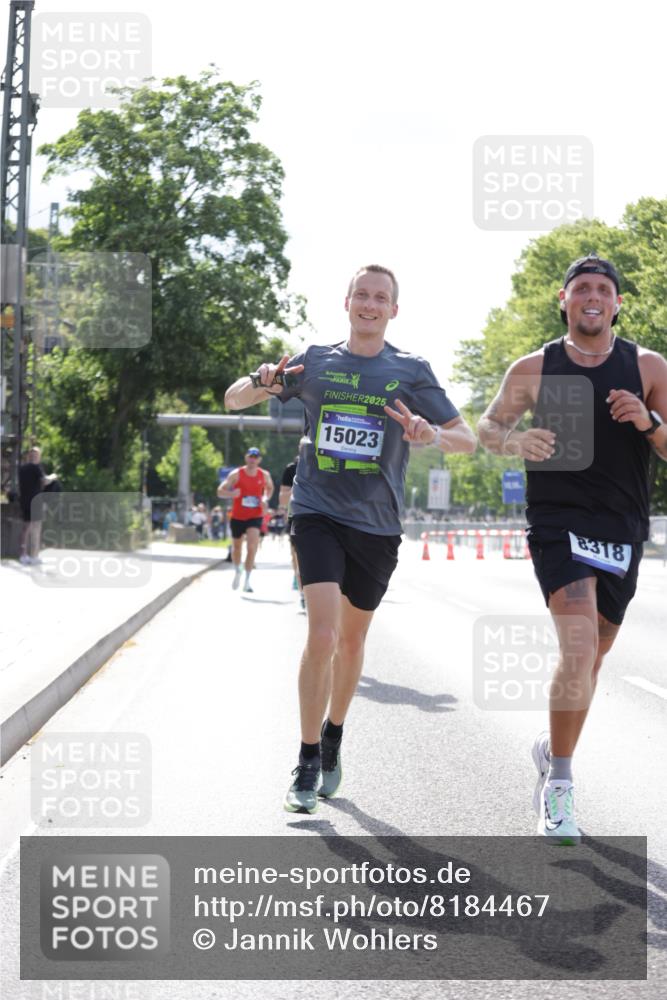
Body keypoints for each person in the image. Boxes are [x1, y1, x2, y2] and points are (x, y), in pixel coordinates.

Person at [225, 264, 476, 813]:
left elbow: (468, 440)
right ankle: (308, 756)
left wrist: (431, 434)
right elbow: (232, 399)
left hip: (377, 525)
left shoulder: (411, 370)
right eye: (361, 294)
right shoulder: (315, 360)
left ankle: (334, 734)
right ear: (346, 302)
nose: (369, 303)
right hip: (316, 510)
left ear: (393, 309)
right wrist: (263, 380)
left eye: (380, 297)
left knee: (353, 643)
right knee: (322, 636)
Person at [477, 253, 667, 843]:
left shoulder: (648, 366)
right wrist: (516, 440)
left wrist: (649, 419)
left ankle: (548, 747)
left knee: (594, 656)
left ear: (615, 303)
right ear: (564, 300)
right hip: (558, 521)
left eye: (603, 289)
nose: (592, 296)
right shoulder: (536, 368)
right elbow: (487, 429)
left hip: (623, 527)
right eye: (581, 287)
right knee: (580, 639)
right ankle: (560, 786)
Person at [217, 447, 274, 592]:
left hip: (255, 515)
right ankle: (237, 570)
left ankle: (247, 581)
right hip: (237, 516)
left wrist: (265, 498)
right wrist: (231, 493)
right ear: (246, 457)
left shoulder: (264, 475)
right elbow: (220, 491)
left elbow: (270, 488)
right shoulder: (236, 474)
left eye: (256, 457)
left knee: (252, 547)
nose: (253, 459)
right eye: (250, 456)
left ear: (259, 460)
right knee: (237, 548)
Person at [280, 439, 308, 611]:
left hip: (323, 519)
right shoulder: (291, 469)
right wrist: (298, 485)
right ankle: (303, 595)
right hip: (297, 518)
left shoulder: (325, 465)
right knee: (298, 559)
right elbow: (282, 500)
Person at [18, 447, 57, 565]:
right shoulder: (36, 468)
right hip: (35, 502)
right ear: (37, 457)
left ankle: (23, 555)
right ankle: (34, 556)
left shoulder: (22, 468)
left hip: (24, 501)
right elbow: (45, 481)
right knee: (36, 528)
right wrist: (53, 476)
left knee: (25, 529)